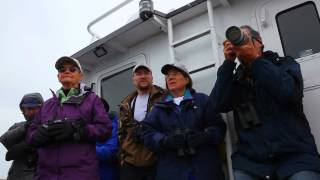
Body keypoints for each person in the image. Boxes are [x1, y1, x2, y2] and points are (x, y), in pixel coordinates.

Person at [210, 25, 320, 180]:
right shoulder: (237, 79)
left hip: (296, 157)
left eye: (244, 40)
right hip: (251, 162)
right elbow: (217, 104)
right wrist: (228, 64)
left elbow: (289, 92)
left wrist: (256, 60)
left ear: (259, 41)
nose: (240, 47)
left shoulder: (283, 64)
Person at [26, 56, 112, 180]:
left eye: (72, 69)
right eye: (62, 69)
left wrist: (77, 129)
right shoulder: (47, 104)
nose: (67, 71)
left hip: (80, 175)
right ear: (58, 76)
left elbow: (105, 129)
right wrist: (37, 135)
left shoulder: (92, 99)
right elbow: (31, 132)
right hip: (45, 175)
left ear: (81, 76)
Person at [141, 63, 226, 180]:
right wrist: (165, 141)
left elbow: (219, 127)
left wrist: (204, 136)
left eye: (175, 74)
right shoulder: (158, 108)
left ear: (186, 79)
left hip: (205, 170)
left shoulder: (202, 100)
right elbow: (146, 132)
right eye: (167, 76)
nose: (170, 78)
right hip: (172, 172)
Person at [118, 62, 165, 180]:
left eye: (146, 73)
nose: (143, 76)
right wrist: (122, 158)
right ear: (133, 79)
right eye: (138, 74)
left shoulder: (165, 97)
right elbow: (121, 133)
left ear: (152, 77)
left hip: (157, 164)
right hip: (130, 165)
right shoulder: (126, 103)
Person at [0, 93, 43, 180]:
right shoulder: (19, 126)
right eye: (24, 109)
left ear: (42, 108)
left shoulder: (49, 126)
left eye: (31, 108)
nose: (27, 112)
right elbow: (5, 140)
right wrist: (26, 127)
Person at [96, 98, 119, 180]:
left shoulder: (113, 126)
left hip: (106, 174)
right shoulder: (84, 126)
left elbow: (110, 152)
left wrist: (87, 149)